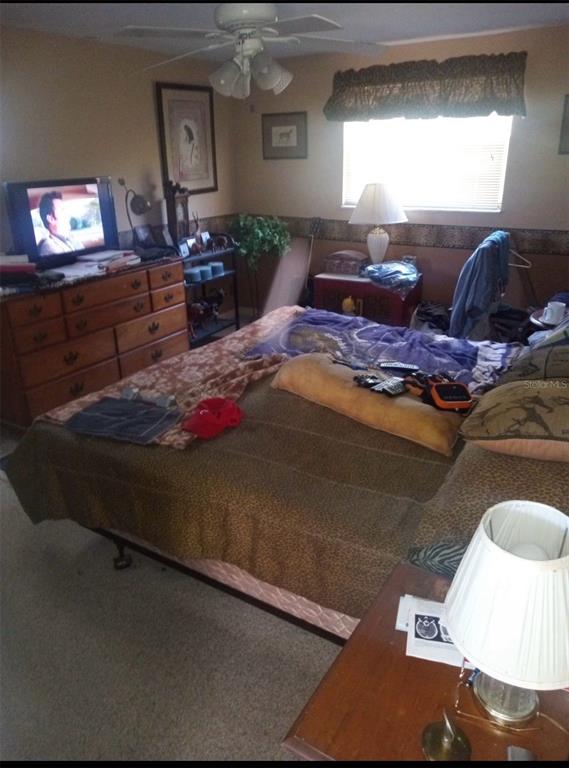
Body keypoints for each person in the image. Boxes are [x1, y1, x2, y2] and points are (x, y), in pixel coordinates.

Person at [37, 192, 82, 256]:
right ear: (51, 219)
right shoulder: (49, 247)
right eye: (62, 210)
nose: (68, 213)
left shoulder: (70, 238)